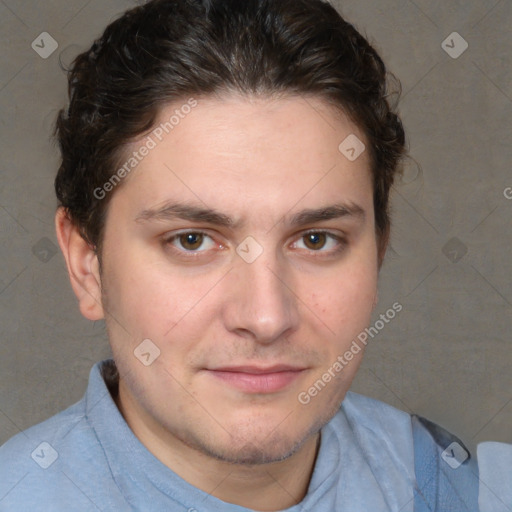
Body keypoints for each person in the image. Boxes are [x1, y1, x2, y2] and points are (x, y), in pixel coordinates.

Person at [0, 0, 505, 510]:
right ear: (88, 266)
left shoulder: (470, 492)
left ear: (378, 255)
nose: (266, 317)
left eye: (316, 239)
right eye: (192, 240)